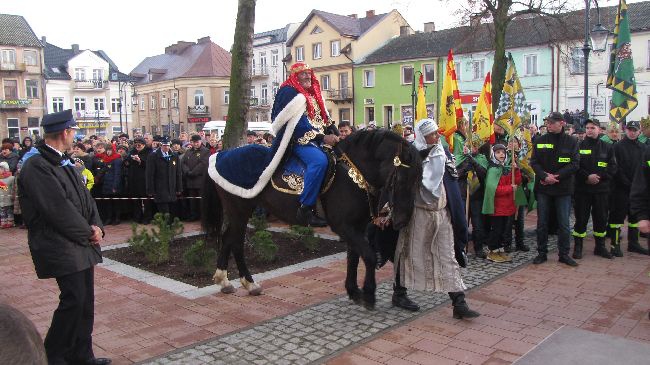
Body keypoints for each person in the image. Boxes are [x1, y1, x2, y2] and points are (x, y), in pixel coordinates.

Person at [18, 109, 110, 365]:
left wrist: (97, 225)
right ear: (65, 132)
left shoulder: (63, 160)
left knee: (85, 301)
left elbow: (86, 199)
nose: (75, 136)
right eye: (73, 131)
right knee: (73, 300)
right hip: (60, 244)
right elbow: (57, 209)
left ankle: (82, 355)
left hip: (79, 243)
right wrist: (88, 232)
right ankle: (53, 356)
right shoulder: (37, 165)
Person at [394, 118, 480, 320]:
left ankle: (459, 303)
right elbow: (399, 185)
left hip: (441, 213)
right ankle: (399, 293)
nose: (437, 136)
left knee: (448, 255)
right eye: (432, 134)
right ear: (423, 137)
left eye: (436, 132)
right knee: (406, 253)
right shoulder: (410, 155)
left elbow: (450, 179)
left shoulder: (444, 152)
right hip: (418, 213)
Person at [271, 62, 339, 226]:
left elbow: (325, 118)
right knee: (319, 161)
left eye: (309, 73)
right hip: (298, 139)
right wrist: (323, 138)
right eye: (303, 74)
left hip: (319, 137)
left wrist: (335, 133)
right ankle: (306, 209)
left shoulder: (314, 93)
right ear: (295, 76)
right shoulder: (290, 92)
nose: (308, 76)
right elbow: (298, 125)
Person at [530, 112, 579, 266]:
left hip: (562, 188)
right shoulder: (540, 140)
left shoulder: (572, 141)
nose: (549, 125)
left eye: (552, 122)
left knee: (564, 223)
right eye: (548, 122)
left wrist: (556, 176)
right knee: (542, 222)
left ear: (562, 123)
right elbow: (534, 162)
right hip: (544, 187)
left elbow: (574, 164)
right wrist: (545, 176)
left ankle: (563, 254)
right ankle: (541, 253)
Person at [572, 119, 617, 259]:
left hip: (601, 190)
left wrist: (599, 177)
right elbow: (575, 166)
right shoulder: (578, 146)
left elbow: (613, 167)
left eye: (593, 127)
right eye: (587, 128)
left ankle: (600, 246)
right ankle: (578, 246)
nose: (589, 130)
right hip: (583, 190)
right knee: (581, 218)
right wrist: (587, 177)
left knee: (601, 218)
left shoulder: (607, 147)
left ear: (600, 130)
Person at [608, 120, 649, 256]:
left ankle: (634, 243)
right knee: (617, 219)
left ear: (639, 132)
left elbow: (644, 170)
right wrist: (628, 183)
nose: (632, 132)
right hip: (621, 189)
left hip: (637, 190)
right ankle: (615, 245)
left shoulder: (643, 148)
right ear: (625, 130)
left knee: (634, 218)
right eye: (630, 130)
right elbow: (616, 168)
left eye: (635, 130)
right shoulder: (618, 147)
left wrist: (638, 186)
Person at [482, 144, 521, 262]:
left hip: (507, 206)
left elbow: (517, 181)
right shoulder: (493, 169)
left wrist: (516, 169)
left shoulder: (506, 168)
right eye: (498, 152)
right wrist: (510, 188)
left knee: (504, 230)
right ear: (493, 154)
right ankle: (492, 251)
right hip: (497, 207)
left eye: (503, 152)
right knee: (497, 230)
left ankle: (500, 250)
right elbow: (493, 189)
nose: (501, 155)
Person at [146, 136, 182, 220]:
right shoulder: (153, 156)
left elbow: (178, 173)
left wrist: (179, 188)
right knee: (164, 214)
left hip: (172, 189)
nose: (166, 147)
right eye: (164, 145)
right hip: (160, 189)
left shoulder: (174, 156)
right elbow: (150, 174)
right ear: (161, 145)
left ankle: (172, 230)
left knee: (172, 214)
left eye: (168, 145)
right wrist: (150, 189)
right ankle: (166, 230)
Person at [181, 135, 210, 221]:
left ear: (200, 141)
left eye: (197, 142)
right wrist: (187, 172)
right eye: (194, 142)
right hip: (190, 180)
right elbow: (183, 163)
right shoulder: (188, 152)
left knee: (201, 200)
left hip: (200, 180)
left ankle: (203, 216)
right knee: (192, 200)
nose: (195, 144)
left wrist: (193, 172)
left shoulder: (206, 151)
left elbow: (203, 164)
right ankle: (194, 215)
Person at [124, 137, 152, 224]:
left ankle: (147, 218)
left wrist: (140, 161)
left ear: (144, 144)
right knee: (136, 200)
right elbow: (126, 162)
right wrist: (127, 161)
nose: (137, 146)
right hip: (133, 180)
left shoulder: (149, 152)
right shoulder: (132, 151)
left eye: (139, 144)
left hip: (144, 180)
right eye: (136, 144)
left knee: (146, 201)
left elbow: (150, 165)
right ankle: (137, 217)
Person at [0, 161, 15, 228]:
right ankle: (3, 222)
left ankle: (10, 222)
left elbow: (11, 188)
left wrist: (12, 195)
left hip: (8, 198)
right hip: (1, 199)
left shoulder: (11, 178)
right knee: (2, 211)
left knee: (9, 211)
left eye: (1, 168)